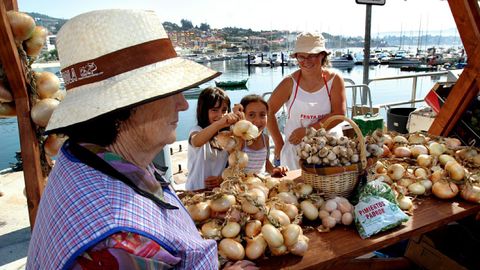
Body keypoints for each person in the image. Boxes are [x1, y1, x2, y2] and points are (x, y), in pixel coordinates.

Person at [26, 9, 256, 270]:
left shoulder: (87, 155)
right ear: (120, 111)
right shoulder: (118, 243)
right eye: (171, 92)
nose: (182, 104)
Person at [267, 32, 347, 170]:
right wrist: (279, 144)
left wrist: (308, 131)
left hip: (330, 151)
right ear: (296, 57)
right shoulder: (289, 82)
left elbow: (339, 113)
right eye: (301, 56)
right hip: (296, 152)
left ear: (322, 55)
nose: (306, 61)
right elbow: (268, 111)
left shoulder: (335, 79)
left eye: (312, 55)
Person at [186, 87, 243, 191]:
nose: (220, 115)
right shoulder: (197, 130)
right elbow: (196, 141)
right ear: (203, 111)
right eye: (214, 110)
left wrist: (221, 179)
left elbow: (235, 163)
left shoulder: (227, 136)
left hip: (217, 192)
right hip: (195, 191)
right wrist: (219, 124)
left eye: (224, 110)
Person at [239, 94, 288, 176]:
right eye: (251, 115)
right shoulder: (240, 139)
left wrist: (275, 170)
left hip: (260, 185)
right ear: (242, 116)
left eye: (262, 115)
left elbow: (265, 162)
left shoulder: (265, 139)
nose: (258, 120)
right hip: (242, 186)